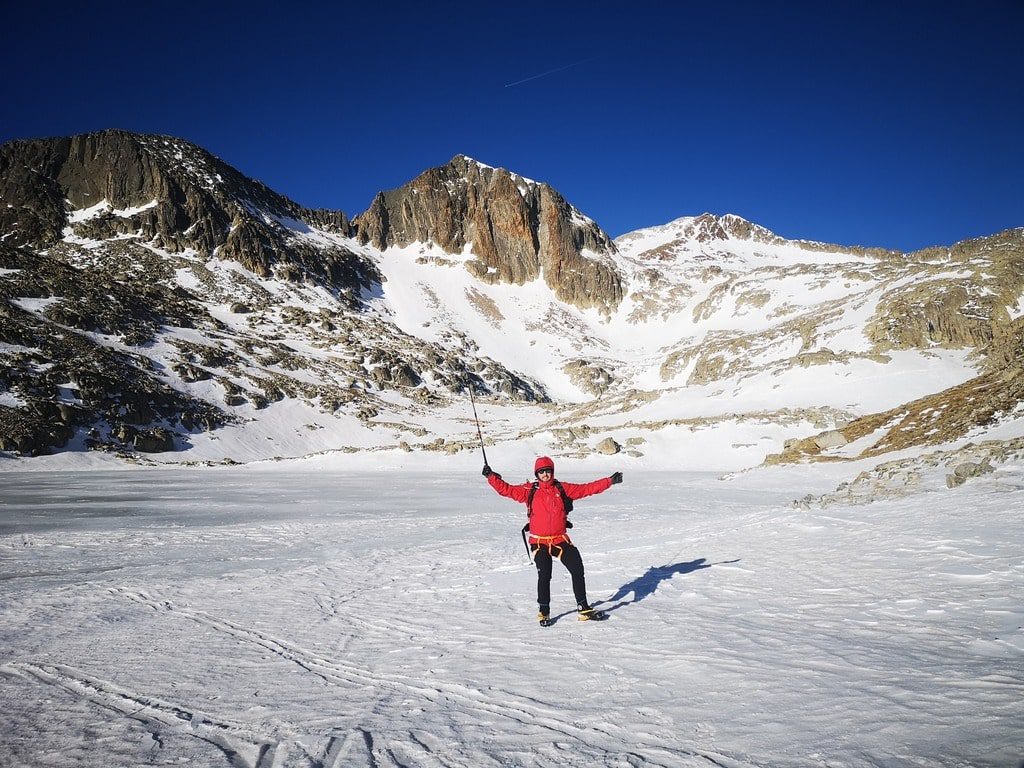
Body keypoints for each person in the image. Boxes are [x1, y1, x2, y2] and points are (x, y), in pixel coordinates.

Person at [483, 456, 623, 626]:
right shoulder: (529, 490)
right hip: (539, 542)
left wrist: (609, 481)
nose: (545, 474)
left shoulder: (562, 488)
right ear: (537, 474)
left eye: (548, 471)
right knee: (545, 573)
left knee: (577, 567)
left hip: (559, 540)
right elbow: (507, 490)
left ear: (552, 472)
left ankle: (583, 609)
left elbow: (587, 489)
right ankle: (544, 611)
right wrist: (491, 477)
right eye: (541, 472)